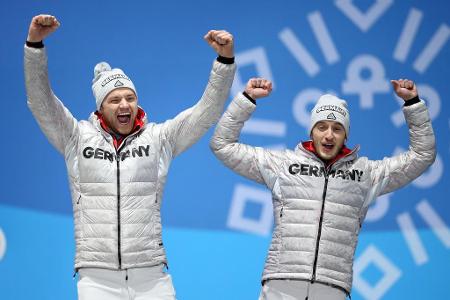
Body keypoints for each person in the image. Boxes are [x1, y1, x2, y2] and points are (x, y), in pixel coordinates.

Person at [25, 14, 235, 300]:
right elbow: (40, 101)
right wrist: (34, 45)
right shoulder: (75, 137)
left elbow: (206, 112)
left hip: (151, 277)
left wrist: (224, 61)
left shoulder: (159, 138)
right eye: (115, 99)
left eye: (130, 98)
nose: (125, 104)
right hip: (97, 279)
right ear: (101, 108)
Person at [210, 78, 436, 299]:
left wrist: (413, 104)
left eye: (337, 128)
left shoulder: (365, 173)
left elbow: (422, 156)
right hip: (282, 284)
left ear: (346, 135)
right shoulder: (283, 165)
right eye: (322, 127)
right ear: (311, 131)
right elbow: (222, 144)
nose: (329, 135)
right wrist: (246, 98)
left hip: (332, 288)